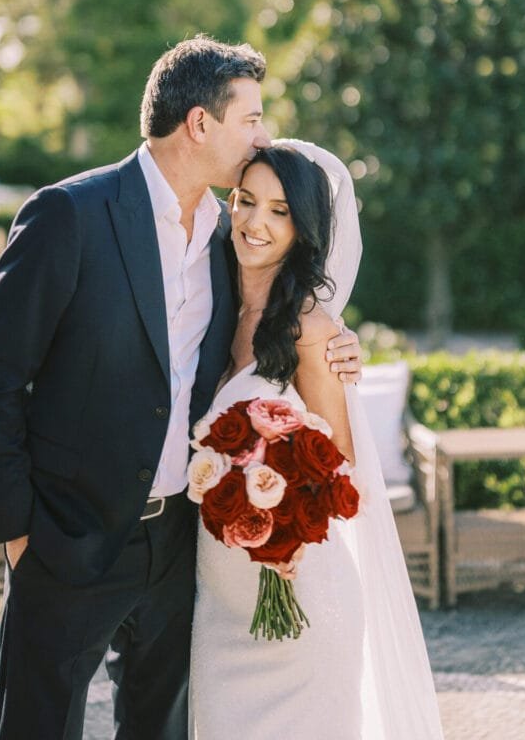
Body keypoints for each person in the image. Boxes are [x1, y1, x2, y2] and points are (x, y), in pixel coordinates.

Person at [0, 37, 362, 740]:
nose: (263, 135)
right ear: (201, 124)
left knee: (162, 729)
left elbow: (268, 325)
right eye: (252, 119)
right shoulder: (70, 215)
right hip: (67, 537)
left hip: (180, 543)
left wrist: (337, 347)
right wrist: (19, 531)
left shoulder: (223, 236)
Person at [190, 143, 444, 740]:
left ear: (304, 231)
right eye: (245, 201)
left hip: (299, 593)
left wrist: (280, 515)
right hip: (218, 597)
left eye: (279, 211)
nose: (255, 223)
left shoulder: (312, 331)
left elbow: (343, 472)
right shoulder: (207, 308)